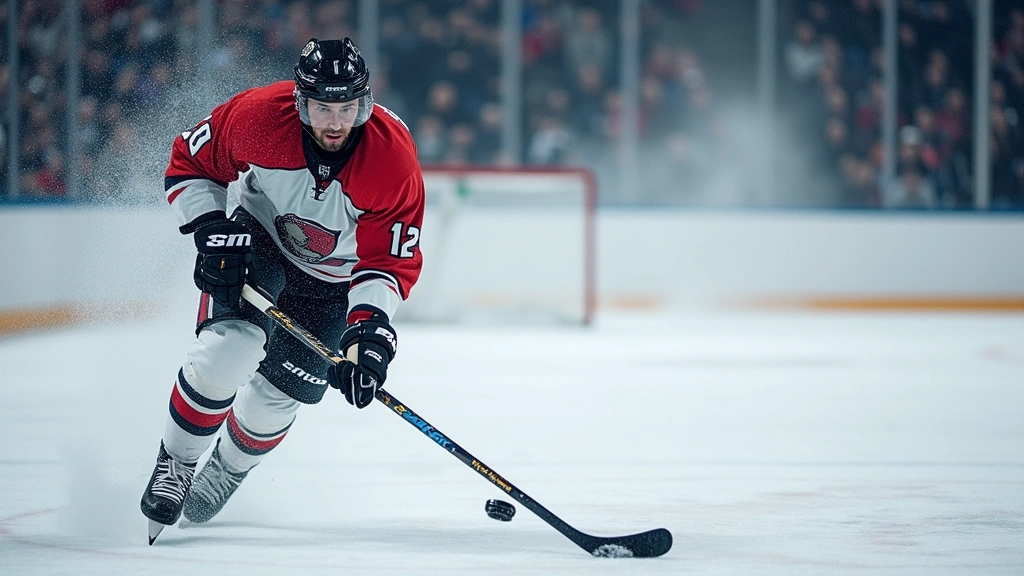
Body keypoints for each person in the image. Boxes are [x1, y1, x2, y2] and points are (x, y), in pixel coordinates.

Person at [140, 38, 424, 544]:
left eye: (347, 108)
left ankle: (227, 468)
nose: (335, 123)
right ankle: (176, 464)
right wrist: (210, 229)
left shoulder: (391, 160)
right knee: (229, 349)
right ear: (300, 102)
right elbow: (189, 163)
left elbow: (385, 261)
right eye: (322, 108)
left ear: (364, 103)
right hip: (260, 241)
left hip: (335, 285)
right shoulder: (258, 117)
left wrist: (369, 338)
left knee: (276, 399)